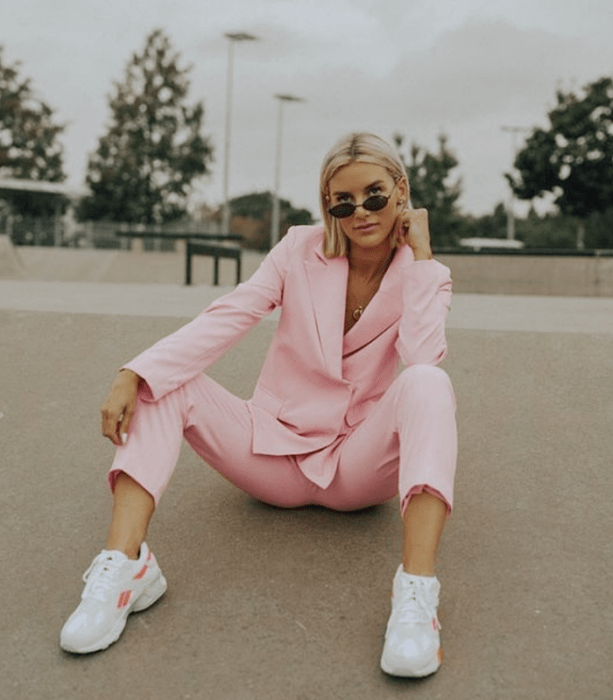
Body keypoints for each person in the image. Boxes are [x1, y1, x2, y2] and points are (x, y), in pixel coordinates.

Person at [60, 132, 457, 678]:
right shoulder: (298, 250)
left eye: (375, 195)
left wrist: (420, 257)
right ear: (327, 205)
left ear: (401, 192)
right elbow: (232, 314)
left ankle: (416, 601)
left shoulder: (420, 269)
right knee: (165, 380)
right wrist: (135, 370)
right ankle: (126, 567)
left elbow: (420, 353)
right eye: (342, 201)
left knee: (430, 384)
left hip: (356, 469)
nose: (360, 211)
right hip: (275, 453)